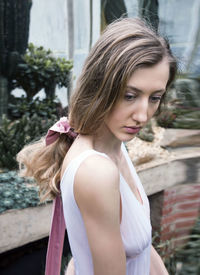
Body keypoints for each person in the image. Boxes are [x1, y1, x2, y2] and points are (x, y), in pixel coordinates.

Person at [17, 18, 177, 275]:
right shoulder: (96, 171)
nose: (143, 115)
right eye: (130, 96)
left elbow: (141, 248)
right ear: (100, 87)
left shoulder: (115, 147)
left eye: (155, 97)